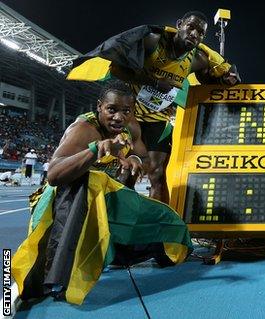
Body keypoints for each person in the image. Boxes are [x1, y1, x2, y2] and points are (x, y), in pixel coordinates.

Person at [12, 83, 192, 305]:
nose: (119, 117)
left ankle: (125, 252)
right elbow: (55, 175)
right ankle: (58, 278)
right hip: (65, 201)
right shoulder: (83, 129)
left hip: (105, 195)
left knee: (170, 222)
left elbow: (144, 158)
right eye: (112, 110)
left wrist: (132, 160)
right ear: (99, 107)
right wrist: (94, 150)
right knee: (88, 180)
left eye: (126, 111)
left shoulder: (130, 127)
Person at [67, 11, 241, 204]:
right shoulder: (153, 41)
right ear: (180, 24)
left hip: (159, 119)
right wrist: (154, 82)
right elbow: (117, 68)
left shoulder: (198, 59)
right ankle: (117, 216)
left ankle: (159, 228)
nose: (194, 34)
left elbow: (209, 81)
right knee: (127, 171)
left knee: (157, 174)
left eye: (200, 33)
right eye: (191, 27)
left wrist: (225, 79)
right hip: (130, 115)